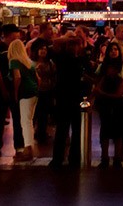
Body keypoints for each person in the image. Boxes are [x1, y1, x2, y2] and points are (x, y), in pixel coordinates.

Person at [49, 34, 89, 168]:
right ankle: (60, 159)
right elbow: (55, 43)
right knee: (63, 130)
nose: (74, 47)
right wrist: (69, 37)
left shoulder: (80, 59)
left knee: (74, 130)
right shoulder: (63, 57)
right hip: (65, 97)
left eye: (76, 45)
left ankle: (71, 158)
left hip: (72, 97)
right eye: (71, 45)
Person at [93, 40, 123, 167]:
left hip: (118, 102)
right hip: (106, 102)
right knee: (105, 129)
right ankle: (104, 157)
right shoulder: (102, 67)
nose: (113, 52)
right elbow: (97, 81)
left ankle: (117, 157)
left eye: (115, 49)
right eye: (111, 49)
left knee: (117, 130)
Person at [8, 38, 38, 162]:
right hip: (34, 92)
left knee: (25, 121)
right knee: (29, 121)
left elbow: (17, 77)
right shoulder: (28, 61)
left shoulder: (14, 61)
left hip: (24, 93)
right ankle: (29, 147)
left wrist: (15, 92)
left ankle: (27, 149)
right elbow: (38, 78)